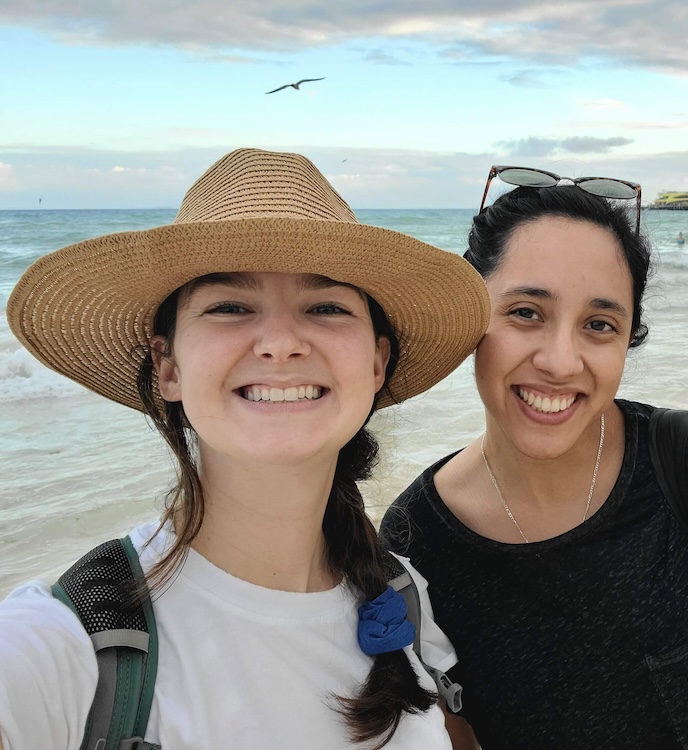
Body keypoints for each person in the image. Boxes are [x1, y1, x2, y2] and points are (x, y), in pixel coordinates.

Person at [0, 148, 490, 749]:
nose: (281, 343)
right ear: (167, 366)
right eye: (230, 307)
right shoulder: (69, 641)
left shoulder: (404, 598)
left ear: (377, 363)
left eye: (327, 307)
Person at [381, 166, 688, 749]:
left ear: (628, 338)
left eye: (599, 325)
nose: (560, 361)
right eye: (526, 312)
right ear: (471, 319)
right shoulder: (415, 545)